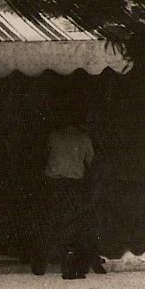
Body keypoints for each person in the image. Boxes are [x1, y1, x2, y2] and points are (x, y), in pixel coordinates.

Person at [35, 109, 98, 279]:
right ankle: (70, 266)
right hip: (73, 185)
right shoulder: (83, 139)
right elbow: (92, 162)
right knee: (72, 225)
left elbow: (43, 155)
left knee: (50, 222)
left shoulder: (53, 136)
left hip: (53, 185)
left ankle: (40, 264)